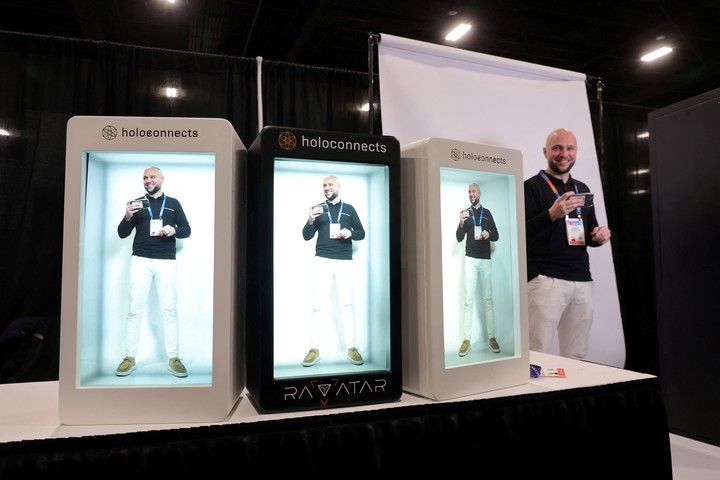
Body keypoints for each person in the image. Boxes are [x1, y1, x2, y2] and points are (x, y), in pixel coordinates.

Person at [524, 128, 611, 360]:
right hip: (545, 280)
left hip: (582, 279)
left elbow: (589, 233)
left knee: (577, 355)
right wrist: (551, 214)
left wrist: (599, 236)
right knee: (537, 351)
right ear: (545, 152)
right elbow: (517, 233)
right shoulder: (530, 187)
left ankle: (571, 396)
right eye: (557, 148)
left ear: (576, 151)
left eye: (569, 148)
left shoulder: (581, 189)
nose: (564, 153)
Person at [115, 166, 191, 377]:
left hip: (166, 261)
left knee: (169, 310)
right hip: (140, 260)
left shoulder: (173, 204)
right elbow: (122, 234)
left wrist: (174, 229)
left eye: (152, 177)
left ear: (162, 179)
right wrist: (127, 216)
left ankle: (173, 357)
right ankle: (129, 357)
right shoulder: (137, 204)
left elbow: (187, 229)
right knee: (134, 310)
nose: (148, 180)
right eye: (145, 177)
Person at [301, 175, 366, 367]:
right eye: (324, 185)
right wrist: (310, 220)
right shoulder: (318, 209)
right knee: (317, 306)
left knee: (348, 305)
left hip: (344, 261)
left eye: (330, 184)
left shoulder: (349, 209)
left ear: (338, 186)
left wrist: (350, 233)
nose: (327, 188)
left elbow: (362, 233)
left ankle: (351, 348)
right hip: (322, 260)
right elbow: (306, 236)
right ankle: (314, 349)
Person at [456, 182, 500, 357]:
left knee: (488, 299)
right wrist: (460, 224)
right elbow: (459, 238)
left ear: (480, 193)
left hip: (485, 260)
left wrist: (489, 233)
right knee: (468, 300)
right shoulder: (465, 214)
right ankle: (466, 340)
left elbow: (496, 235)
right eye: (469, 191)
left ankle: (491, 337)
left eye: (473, 191)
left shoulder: (487, 213)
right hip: (470, 260)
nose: (471, 193)